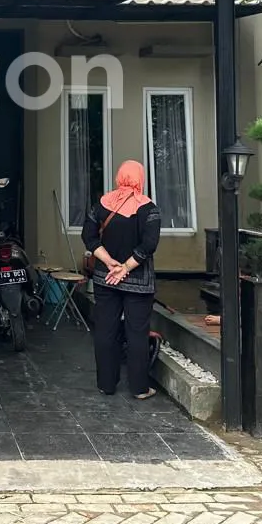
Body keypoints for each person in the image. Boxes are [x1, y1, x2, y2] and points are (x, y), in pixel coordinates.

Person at [82, 160, 162, 399]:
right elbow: (149, 245)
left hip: (105, 278)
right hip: (139, 282)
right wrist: (125, 267)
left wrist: (110, 263)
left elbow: (88, 237)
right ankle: (139, 388)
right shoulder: (149, 209)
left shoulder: (101, 204)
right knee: (137, 332)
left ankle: (106, 384)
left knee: (105, 330)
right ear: (140, 178)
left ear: (119, 177)